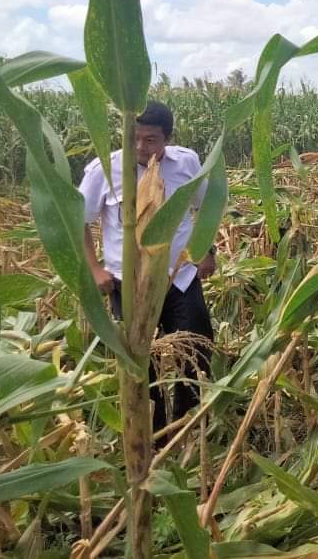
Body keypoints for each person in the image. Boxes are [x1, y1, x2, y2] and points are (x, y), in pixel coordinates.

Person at [80, 101, 216, 433]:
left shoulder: (186, 164)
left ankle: (189, 428)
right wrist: (95, 269)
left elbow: (205, 207)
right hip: (128, 285)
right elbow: (76, 221)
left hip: (179, 278)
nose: (141, 147)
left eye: (151, 139)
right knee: (140, 365)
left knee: (195, 351)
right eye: (134, 138)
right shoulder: (105, 169)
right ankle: (149, 432)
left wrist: (207, 251)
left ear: (167, 138)